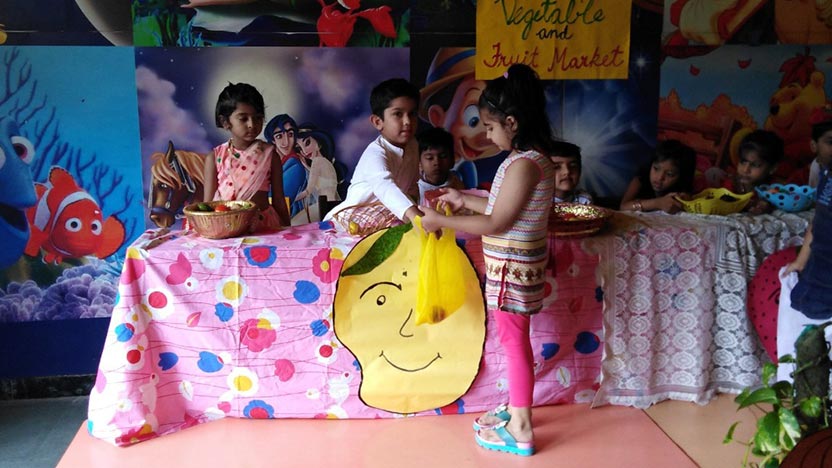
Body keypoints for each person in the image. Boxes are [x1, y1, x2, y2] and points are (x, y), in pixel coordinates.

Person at [420, 64, 556, 457]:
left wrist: (441, 220)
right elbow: (501, 208)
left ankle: (522, 426)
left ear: (512, 123)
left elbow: (497, 221)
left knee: (514, 343)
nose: (488, 135)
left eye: (491, 127)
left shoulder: (524, 164)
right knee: (515, 340)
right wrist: (462, 199)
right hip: (515, 267)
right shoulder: (529, 160)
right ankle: (518, 409)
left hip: (513, 269)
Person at [324, 78, 422, 226]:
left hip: (387, 221)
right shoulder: (375, 154)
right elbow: (386, 187)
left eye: (412, 113)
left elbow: (412, 186)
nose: (408, 121)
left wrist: (417, 211)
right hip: (350, 224)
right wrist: (417, 217)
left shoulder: (413, 145)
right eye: (398, 114)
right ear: (377, 122)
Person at [203, 82, 291, 230]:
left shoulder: (270, 155)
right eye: (243, 119)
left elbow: (279, 201)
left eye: (257, 118)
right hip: (225, 228)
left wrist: (289, 233)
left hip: (264, 228)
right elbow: (208, 206)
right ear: (225, 122)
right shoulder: (215, 158)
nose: (252, 124)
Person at [620, 139, 696, 213]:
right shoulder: (641, 179)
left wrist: (686, 202)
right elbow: (623, 207)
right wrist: (657, 203)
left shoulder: (680, 190)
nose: (660, 178)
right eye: (656, 169)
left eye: (669, 174)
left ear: (681, 177)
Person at [726, 130, 784, 215]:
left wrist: (768, 206)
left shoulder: (775, 188)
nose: (745, 170)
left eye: (755, 165)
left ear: (772, 168)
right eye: (743, 162)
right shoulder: (731, 185)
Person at [293, 124, 341, 224]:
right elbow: (317, 176)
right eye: (299, 148)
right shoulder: (326, 162)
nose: (304, 151)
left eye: (307, 143)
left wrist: (291, 199)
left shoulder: (317, 162)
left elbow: (308, 191)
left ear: (318, 141)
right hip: (333, 204)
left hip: (323, 206)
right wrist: (305, 165)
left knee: (294, 223)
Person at [265, 113, 307, 218]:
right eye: (279, 136)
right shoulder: (269, 162)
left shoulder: (295, 166)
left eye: (290, 135)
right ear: (273, 140)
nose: (286, 142)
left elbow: (277, 200)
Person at [416, 126, 464, 206]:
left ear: (452, 160)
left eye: (443, 156)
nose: (437, 162)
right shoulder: (414, 188)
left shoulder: (458, 186)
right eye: (429, 158)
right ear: (419, 163)